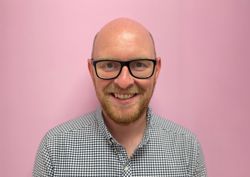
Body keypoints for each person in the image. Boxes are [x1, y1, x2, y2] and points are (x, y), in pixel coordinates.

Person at [33, 17, 207, 177]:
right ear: (91, 70)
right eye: (109, 65)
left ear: (157, 70)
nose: (124, 81)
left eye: (139, 64)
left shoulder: (188, 149)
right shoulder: (54, 149)